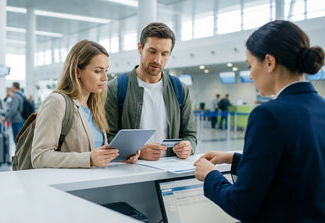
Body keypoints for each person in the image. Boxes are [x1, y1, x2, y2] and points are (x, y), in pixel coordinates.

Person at [194, 20, 325, 222]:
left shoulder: (268, 115)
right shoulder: (320, 107)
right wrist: (235, 158)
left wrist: (210, 175)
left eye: (250, 65)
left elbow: (240, 204)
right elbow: (297, 170)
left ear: (269, 62)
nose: (251, 75)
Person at [31, 40, 137, 168]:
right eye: (98, 71)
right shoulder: (57, 102)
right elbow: (39, 157)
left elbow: (96, 155)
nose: (105, 78)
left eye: (106, 71)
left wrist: (120, 158)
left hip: (94, 183)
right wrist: (88, 159)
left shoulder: (95, 106)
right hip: (68, 186)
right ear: (78, 71)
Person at [105, 22, 197, 161]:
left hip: (169, 173)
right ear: (140, 48)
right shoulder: (116, 88)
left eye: (164, 54)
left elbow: (190, 134)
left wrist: (188, 146)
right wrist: (138, 152)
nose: (157, 60)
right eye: (152, 51)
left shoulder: (179, 89)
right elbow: (106, 138)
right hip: (130, 172)